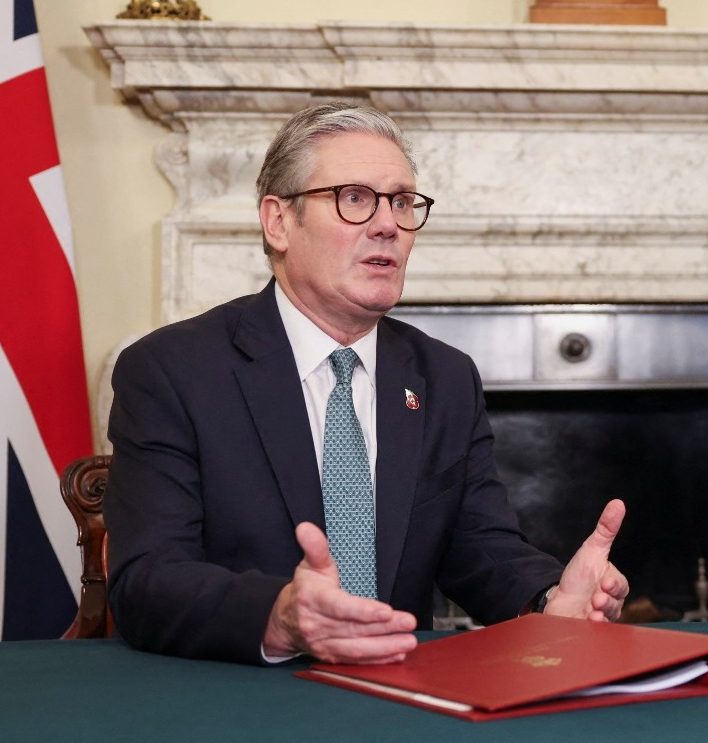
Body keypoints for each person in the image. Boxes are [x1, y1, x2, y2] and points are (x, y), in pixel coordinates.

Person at [104, 102, 629, 665]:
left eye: (402, 203)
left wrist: (549, 600)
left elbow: (478, 546)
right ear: (278, 221)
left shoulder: (444, 376)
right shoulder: (171, 371)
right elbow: (148, 579)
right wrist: (278, 616)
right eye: (354, 198)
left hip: (404, 695)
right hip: (243, 698)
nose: (387, 225)